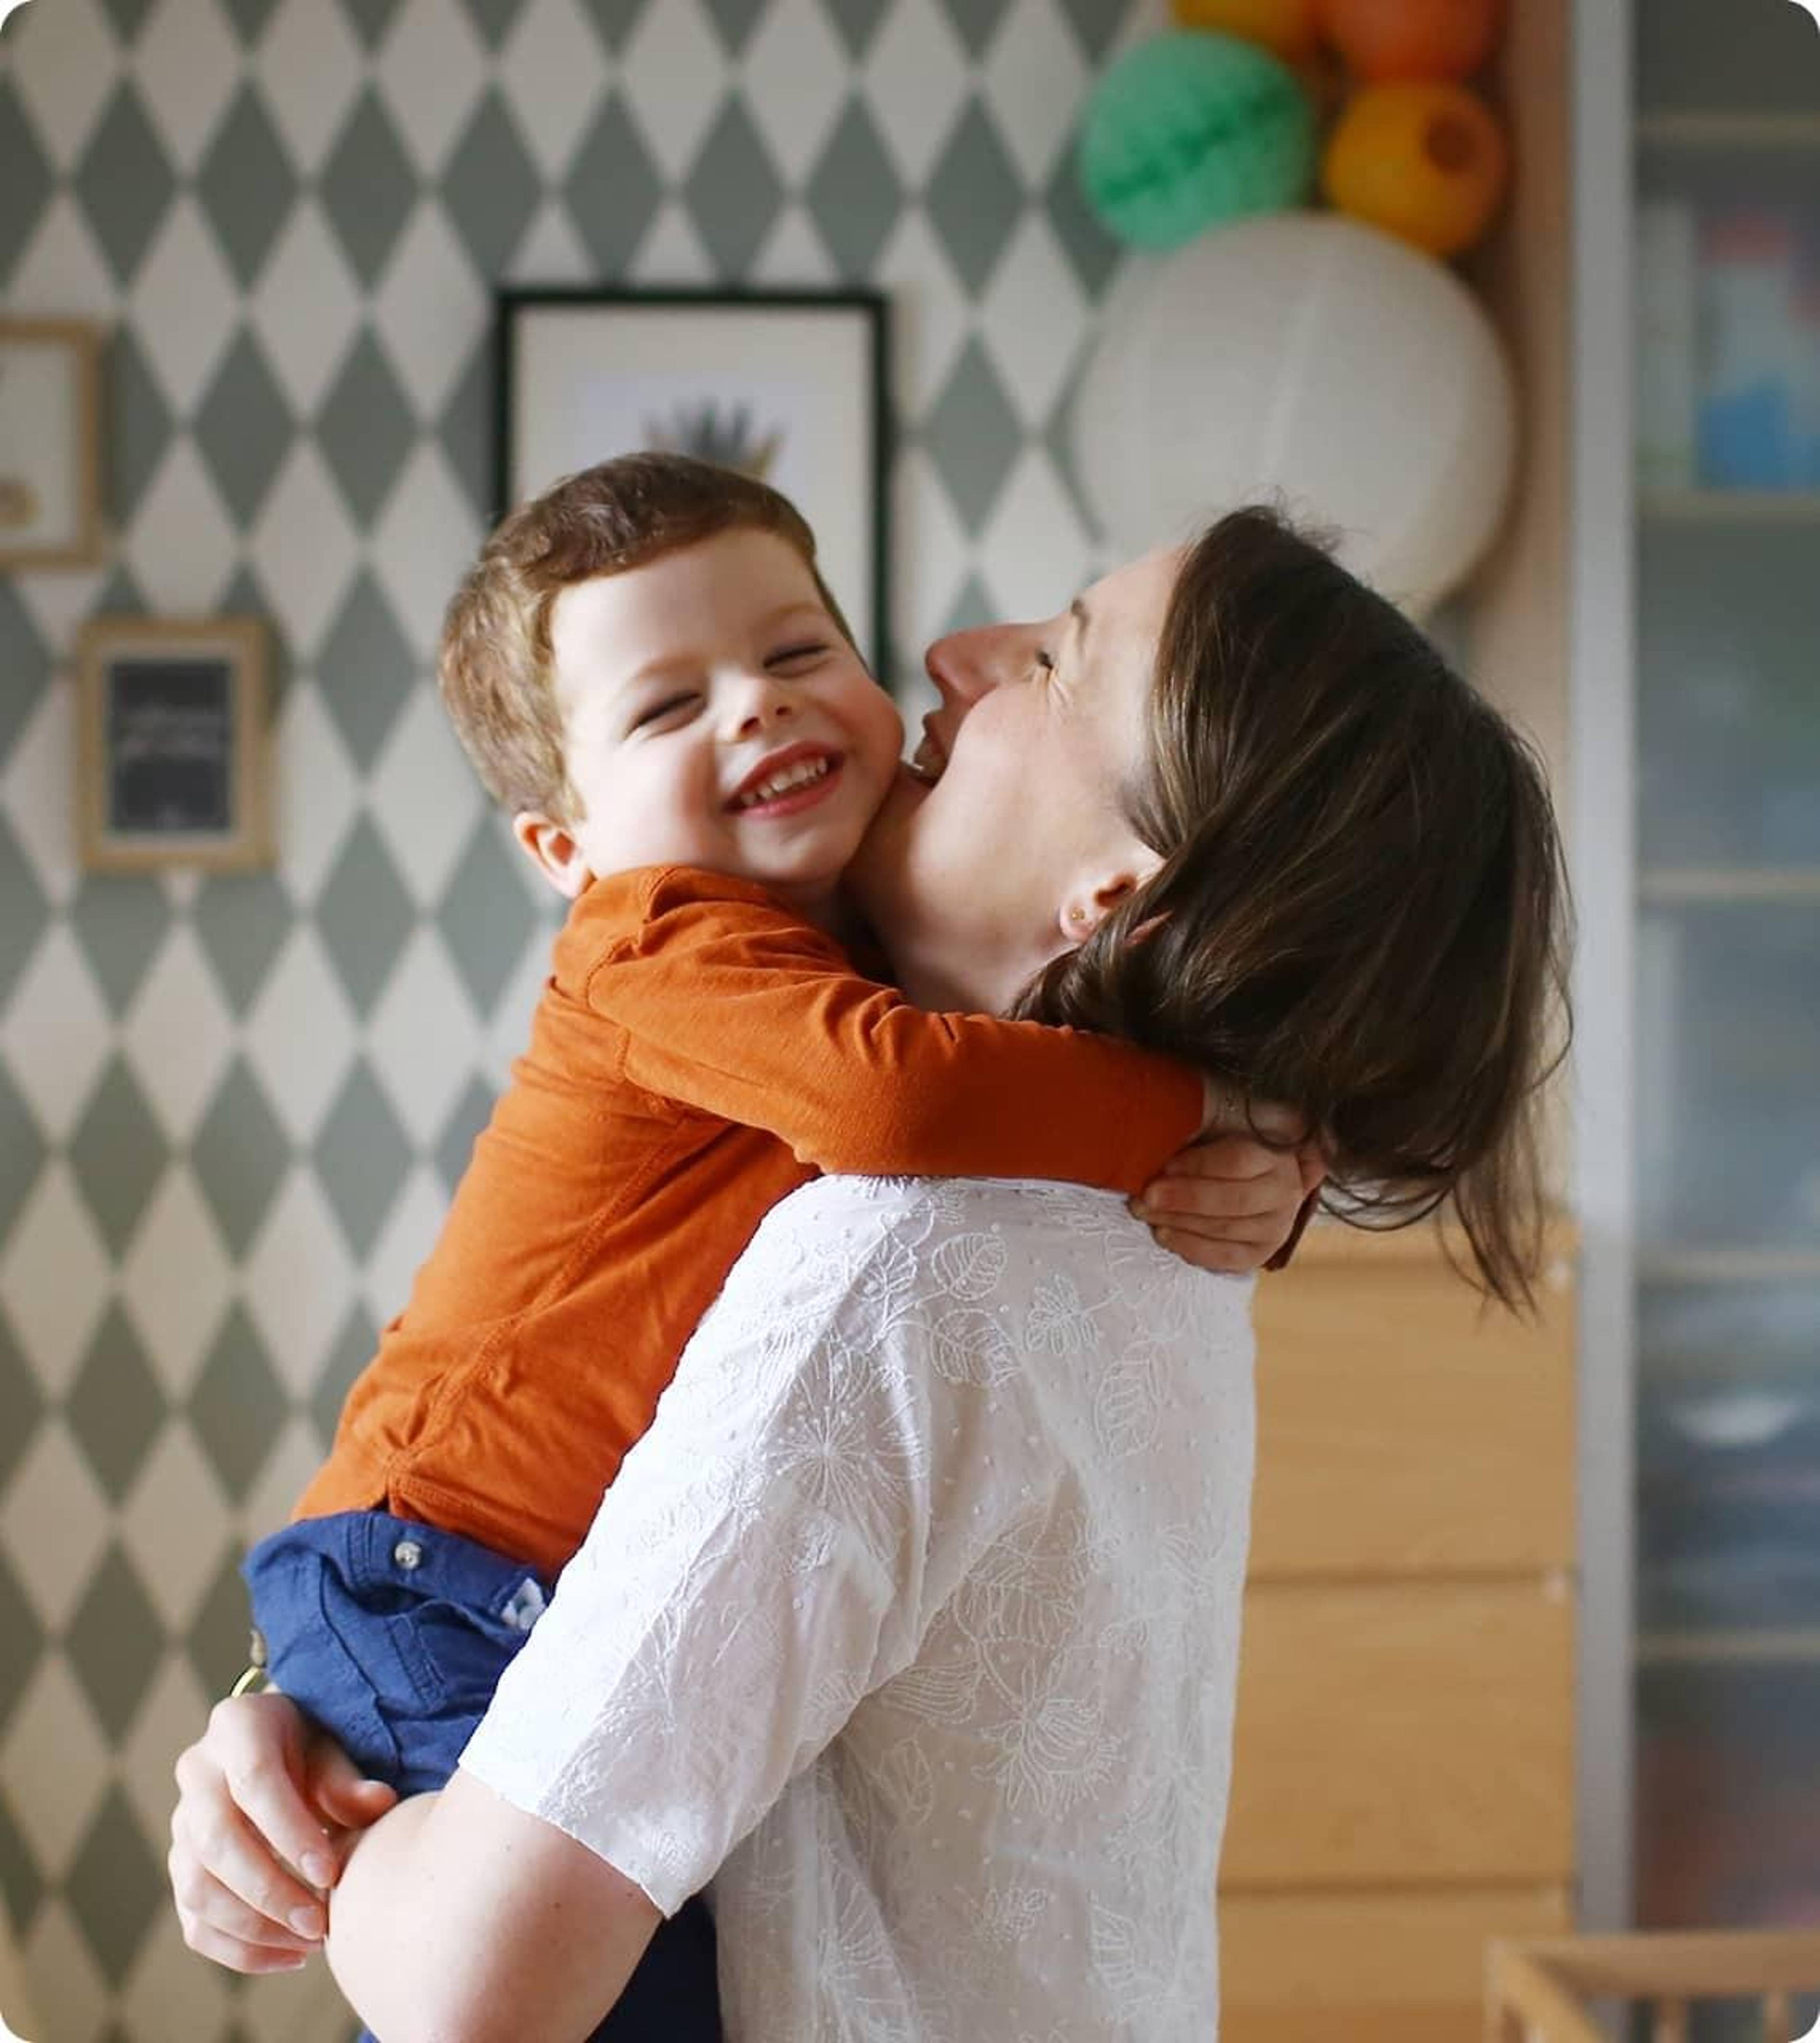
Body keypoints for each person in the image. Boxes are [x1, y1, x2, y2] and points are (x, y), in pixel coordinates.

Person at [169, 507, 1570, 2041]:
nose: (949, 658)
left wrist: (347, 1838)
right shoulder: (1165, 1232)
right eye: (664, 702)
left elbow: (472, 1990)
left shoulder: (901, 1259)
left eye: (1049, 659)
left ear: (1116, 900)